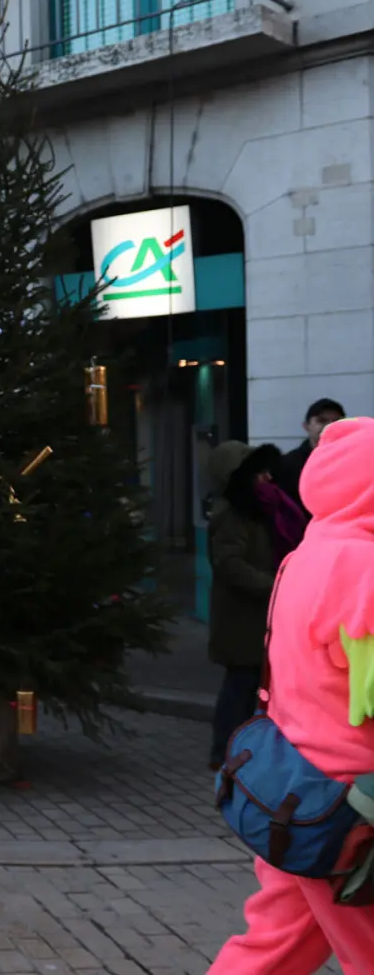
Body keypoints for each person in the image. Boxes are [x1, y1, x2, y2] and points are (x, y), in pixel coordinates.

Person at [210, 416, 374, 973]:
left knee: (273, 947)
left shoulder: (305, 553)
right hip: (347, 809)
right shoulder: (364, 565)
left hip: (293, 791)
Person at [206, 441, 307, 770]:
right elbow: (229, 564)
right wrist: (277, 584)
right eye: (259, 472)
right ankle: (224, 753)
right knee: (241, 685)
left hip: (265, 616)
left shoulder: (265, 508)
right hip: (242, 619)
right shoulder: (232, 515)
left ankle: (248, 751)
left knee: (255, 685)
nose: (268, 477)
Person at [279, 398, 345, 509]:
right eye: (321, 421)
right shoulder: (287, 464)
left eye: (336, 421)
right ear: (306, 426)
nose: (329, 426)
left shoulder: (355, 461)